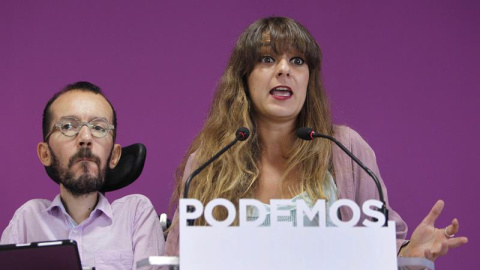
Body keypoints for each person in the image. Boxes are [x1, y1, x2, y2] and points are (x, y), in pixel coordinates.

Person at [165, 17, 467, 260]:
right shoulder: (208, 161)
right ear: (244, 77)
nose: (284, 70)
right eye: (268, 59)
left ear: (309, 79)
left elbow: (384, 250)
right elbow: (176, 258)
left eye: (297, 61)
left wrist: (409, 252)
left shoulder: (346, 149)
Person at [0, 81, 165, 269]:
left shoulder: (135, 216)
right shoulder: (28, 221)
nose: (85, 138)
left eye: (99, 128)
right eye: (68, 126)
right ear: (45, 154)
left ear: (114, 155)